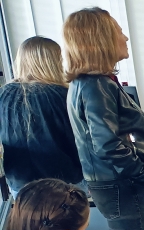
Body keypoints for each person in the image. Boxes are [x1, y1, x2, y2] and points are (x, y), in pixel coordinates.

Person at [64, 8, 144, 230]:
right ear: (100, 39)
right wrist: (141, 173)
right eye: (119, 32)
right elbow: (107, 144)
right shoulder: (96, 85)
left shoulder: (87, 83)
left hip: (113, 183)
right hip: (124, 185)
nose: (125, 38)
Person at [0, 37, 82, 194]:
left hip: (20, 184)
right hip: (64, 182)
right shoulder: (63, 95)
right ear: (53, 62)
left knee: (30, 219)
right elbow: (78, 141)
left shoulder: (3, 95)